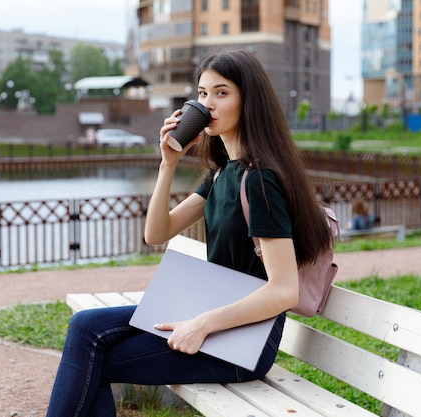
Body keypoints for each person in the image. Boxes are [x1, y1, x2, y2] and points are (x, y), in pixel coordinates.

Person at [46, 50, 333, 416]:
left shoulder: (260, 180)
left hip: (244, 342)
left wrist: (201, 324)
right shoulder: (221, 174)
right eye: (201, 93)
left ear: (249, 100)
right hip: (212, 319)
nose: (207, 104)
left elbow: (284, 290)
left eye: (221, 93)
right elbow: (157, 232)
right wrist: (168, 163)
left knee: (95, 358)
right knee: (85, 325)